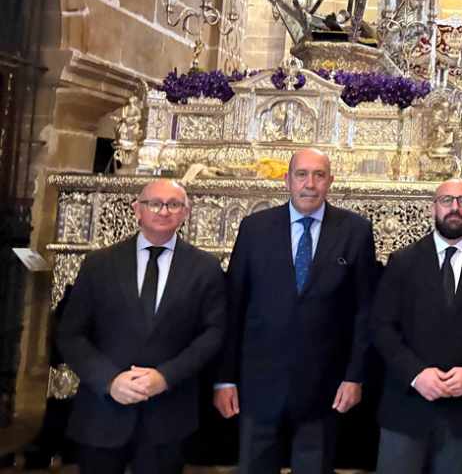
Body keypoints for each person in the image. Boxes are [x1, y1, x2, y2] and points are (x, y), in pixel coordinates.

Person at [214, 148, 376, 473]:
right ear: (287, 180)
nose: (310, 184)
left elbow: (365, 311)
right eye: (301, 174)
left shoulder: (355, 231)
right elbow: (233, 308)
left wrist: (354, 376)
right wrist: (224, 379)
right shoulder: (254, 228)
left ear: (330, 181)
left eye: (319, 175)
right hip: (259, 386)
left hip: (323, 388)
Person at [58, 179, 226, 474]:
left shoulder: (205, 268)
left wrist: (165, 376)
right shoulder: (99, 264)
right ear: (137, 209)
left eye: (173, 204)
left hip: (168, 415)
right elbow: (71, 334)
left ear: (185, 212)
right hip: (102, 413)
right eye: (154, 203)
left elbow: (212, 334)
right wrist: (110, 381)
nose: (163, 211)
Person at [372, 179, 462, 474]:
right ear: (432, 208)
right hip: (406, 407)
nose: (454, 208)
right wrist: (415, 374)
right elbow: (382, 327)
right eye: (447, 200)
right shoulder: (402, 262)